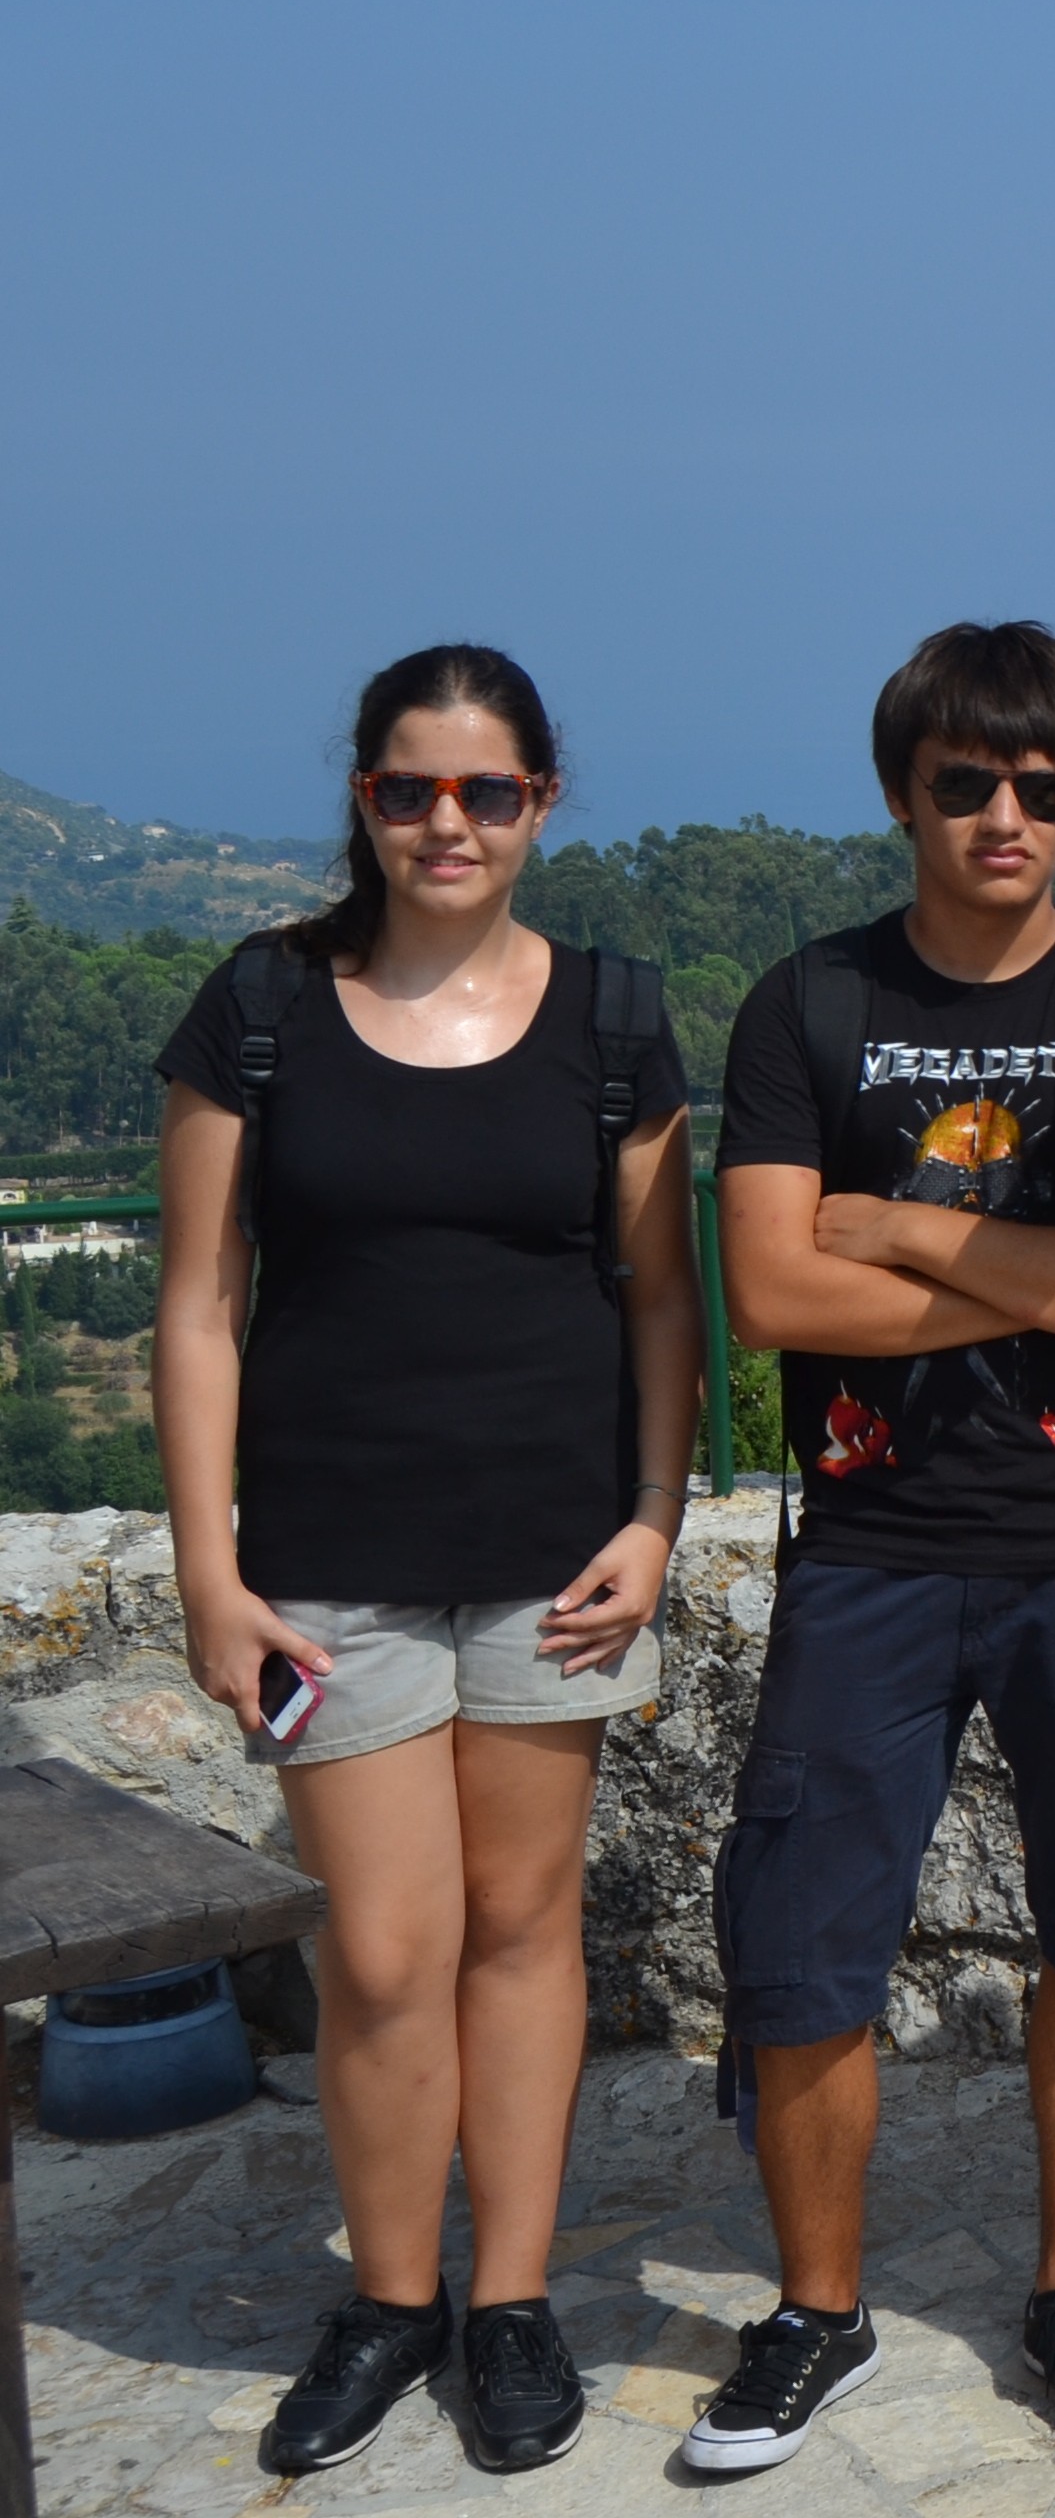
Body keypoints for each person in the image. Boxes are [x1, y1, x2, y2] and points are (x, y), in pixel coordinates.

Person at [691, 621, 1055, 2473]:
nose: (1008, 815)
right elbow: (769, 1295)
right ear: (903, 787)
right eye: (968, 783)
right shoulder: (807, 1008)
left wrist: (903, 1236)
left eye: (1047, 785)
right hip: (872, 1546)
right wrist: (1039, 1283)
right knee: (806, 1936)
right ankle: (815, 2309)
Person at [156, 645, 701, 2477]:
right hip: (327, 1564)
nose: (444, 822)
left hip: (555, 1556)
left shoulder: (616, 1018)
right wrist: (209, 1574)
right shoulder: (259, 1008)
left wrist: (654, 1517)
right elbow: (197, 1309)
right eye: (409, 789)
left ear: (541, 800)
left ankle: (514, 2298)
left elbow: (662, 1303)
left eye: (483, 790)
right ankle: (394, 2299)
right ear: (366, 802)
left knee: (528, 1930)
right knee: (387, 1955)